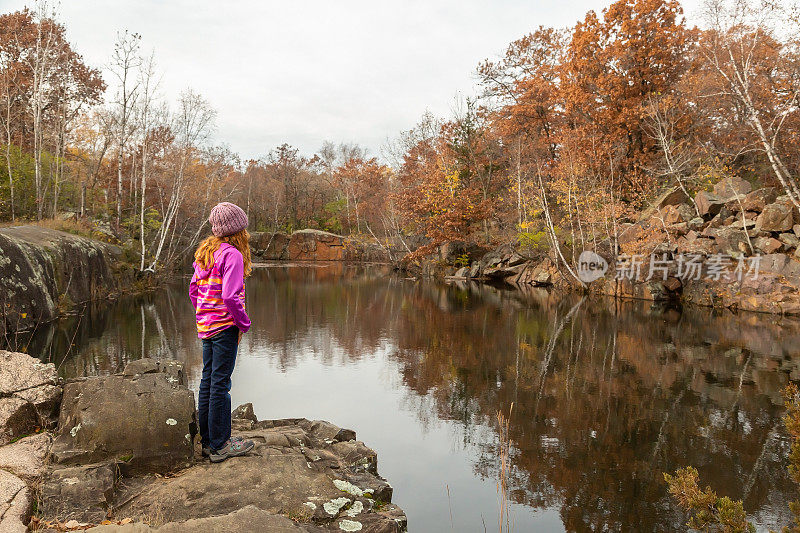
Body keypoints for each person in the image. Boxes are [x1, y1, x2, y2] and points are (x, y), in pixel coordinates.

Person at [190, 202, 255, 463]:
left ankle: (208, 442)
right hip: (225, 327)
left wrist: (205, 315)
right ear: (237, 230)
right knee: (220, 384)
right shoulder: (232, 255)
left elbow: (194, 291)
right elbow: (230, 296)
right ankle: (220, 446)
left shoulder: (206, 252)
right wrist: (243, 323)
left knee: (208, 381)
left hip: (206, 327)